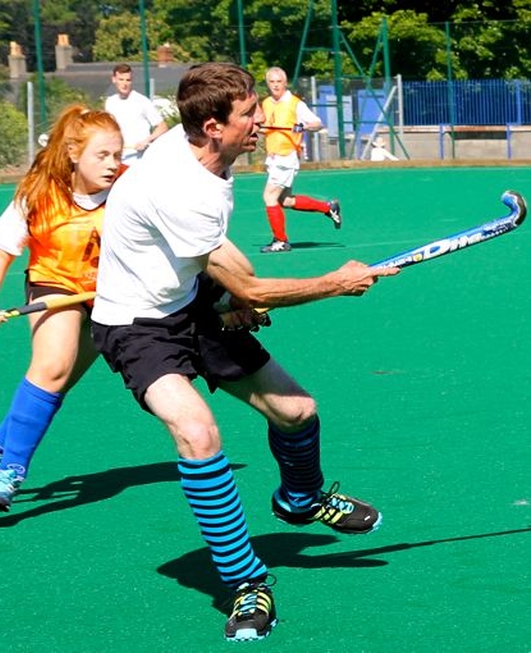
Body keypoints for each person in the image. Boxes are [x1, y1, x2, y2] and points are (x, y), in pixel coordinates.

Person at [91, 62, 400, 642]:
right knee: (197, 433)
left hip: (189, 300)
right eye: (250, 113)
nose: (262, 120)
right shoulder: (181, 188)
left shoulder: (195, 156)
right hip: (136, 325)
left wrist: (230, 295)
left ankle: (301, 500)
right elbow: (255, 290)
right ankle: (245, 583)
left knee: (298, 412)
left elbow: (237, 278)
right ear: (212, 126)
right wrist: (337, 282)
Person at [0, 104, 125, 511]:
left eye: (117, 154)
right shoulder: (40, 191)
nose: (113, 164)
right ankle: (7, 471)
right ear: (74, 154)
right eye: (102, 155)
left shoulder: (132, 188)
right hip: (53, 284)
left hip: (110, 297)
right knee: (52, 367)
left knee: (56, 384)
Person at [260, 66, 340, 254]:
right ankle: (328, 208)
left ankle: (280, 241)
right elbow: (267, 128)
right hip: (273, 157)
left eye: (279, 82)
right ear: (267, 83)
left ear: (285, 83)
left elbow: (317, 123)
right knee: (285, 200)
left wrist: (302, 126)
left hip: (286, 156)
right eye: (272, 82)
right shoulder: (266, 103)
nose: (275, 85)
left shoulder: (295, 103)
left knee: (269, 196)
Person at [104, 63, 168, 165]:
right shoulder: (110, 102)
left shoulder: (141, 101)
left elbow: (162, 127)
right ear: (114, 79)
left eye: (128, 80)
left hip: (138, 160)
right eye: (121, 79)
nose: (125, 83)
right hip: (118, 159)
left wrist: (146, 141)